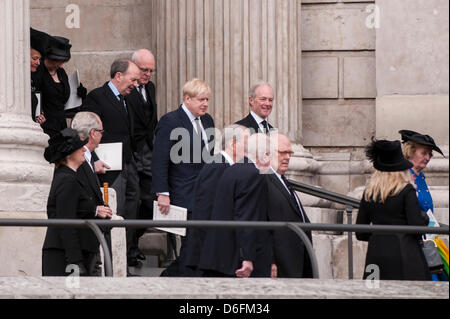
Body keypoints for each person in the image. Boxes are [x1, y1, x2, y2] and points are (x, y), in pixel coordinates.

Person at [82, 58, 142, 270]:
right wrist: (95, 160)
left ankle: (123, 263)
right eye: (132, 79)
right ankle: (109, 265)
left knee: (131, 211)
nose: (136, 84)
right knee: (113, 214)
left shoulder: (130, 98)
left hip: (129, 165)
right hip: (107, 170)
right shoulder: (96, 98)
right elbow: (85, 131)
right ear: (118, 76)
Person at [152, 78, 215, 276]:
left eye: (207, 100)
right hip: (182, 194)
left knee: (200, 243)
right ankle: (171, 278)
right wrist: (162, 192)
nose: (205, 104)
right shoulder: (170, 121)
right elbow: (160, 159)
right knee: (190, 245)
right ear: (187, 99)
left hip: (205, 194)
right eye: (201, 99)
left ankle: (177, 277)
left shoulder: (207, 120)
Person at [198, 133, 274, 278]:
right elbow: (246, 216)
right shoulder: (253, 174)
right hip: (235, 261)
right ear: (265, 154)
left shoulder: (234, 170)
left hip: (220, 256)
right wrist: (247, 257)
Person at [356, 139, 430, 281]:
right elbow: (417, 227)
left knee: (374, 293)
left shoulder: (369, 193)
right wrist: (424, 218)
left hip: (376, 255)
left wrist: (379, 235)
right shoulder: (406, 191)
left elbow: (360, 233)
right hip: (405, 254)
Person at [183, 124, 250, 274]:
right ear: (233, 144)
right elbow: (205, 211)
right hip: (210, 254)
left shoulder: (225, 166)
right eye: (246, 146)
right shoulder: (217, 167)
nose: (248, 151)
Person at [42, 128, 109, 276]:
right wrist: (75, 262)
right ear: (69, 155)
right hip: (65, 256)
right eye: (79, 148)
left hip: (73, 253)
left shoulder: (70, 177)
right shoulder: (67, 179)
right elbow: (65, 223)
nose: (82, 150)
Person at [399, 129, 447, 281]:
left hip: (426, 240)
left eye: (430, 154)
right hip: (410, 242)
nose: (428, 158)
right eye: (424, 153)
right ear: (410, 151)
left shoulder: (419, 176)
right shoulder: (401, 176)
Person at [126, 49, 159, 260]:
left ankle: (134, 240)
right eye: (143, 69)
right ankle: (129, 248)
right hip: (130, 152)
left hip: (148, 153)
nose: (147, 74)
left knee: (150, 203)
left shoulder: (151, 88)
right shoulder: (127, 89)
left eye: (150, 71)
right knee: (131, 201)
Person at [266, 133, 313, 278]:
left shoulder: (282, 180)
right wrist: (270, 259)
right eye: (282, 152)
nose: (287, 157)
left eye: (289, 152)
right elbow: (262, 222)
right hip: (281, 263)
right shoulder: (264, 180)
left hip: (296, 258)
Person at [37, 36, 86, 137]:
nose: (61, 66)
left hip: (61, 125)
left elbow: (63, 98)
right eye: (59, 62)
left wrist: (79, 93)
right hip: (45, 126)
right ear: (51, 58)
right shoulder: (38, 71)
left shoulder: (61, 72)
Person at [30, 28, 50, 126]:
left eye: (39, 59)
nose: (38, 63)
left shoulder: (33, 80)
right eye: (34, 58)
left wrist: (37, 118)